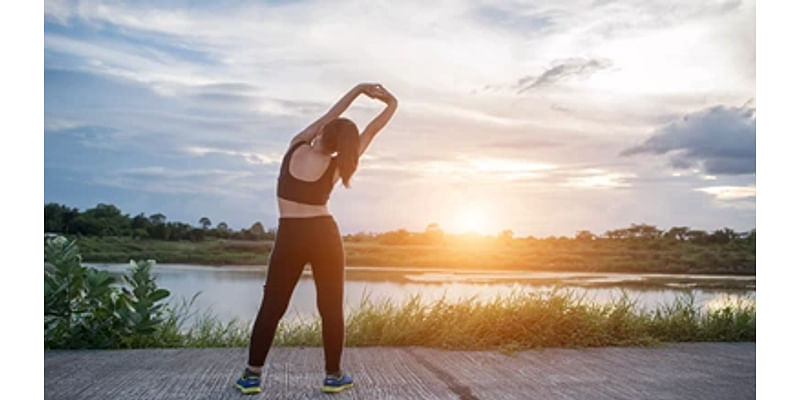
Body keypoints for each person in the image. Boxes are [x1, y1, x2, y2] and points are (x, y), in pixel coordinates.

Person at [235, 83, 398, 395]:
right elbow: (371, 131)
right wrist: (392, 104)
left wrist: (358, 91)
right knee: (330, 307)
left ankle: (252, 376)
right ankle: (333, 376)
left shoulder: (296, 147)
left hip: (290, 234)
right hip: (324, 234)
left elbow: (332, 114)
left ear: (323, 132)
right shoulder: (339, 164)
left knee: (272, 306)